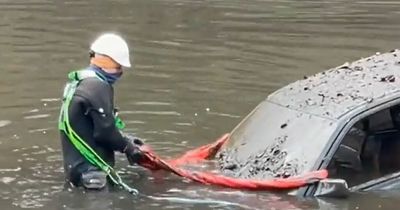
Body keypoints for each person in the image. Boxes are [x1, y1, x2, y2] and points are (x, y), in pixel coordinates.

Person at [58, 33, 144, 191]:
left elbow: (89, 127)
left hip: (75, 172)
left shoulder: (79, 82)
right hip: (93, 177)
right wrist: (128, 148)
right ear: (108, 62)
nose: (120, 72)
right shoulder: (98, 86)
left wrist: (126, 139)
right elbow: (105, 133)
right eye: (118, 66)